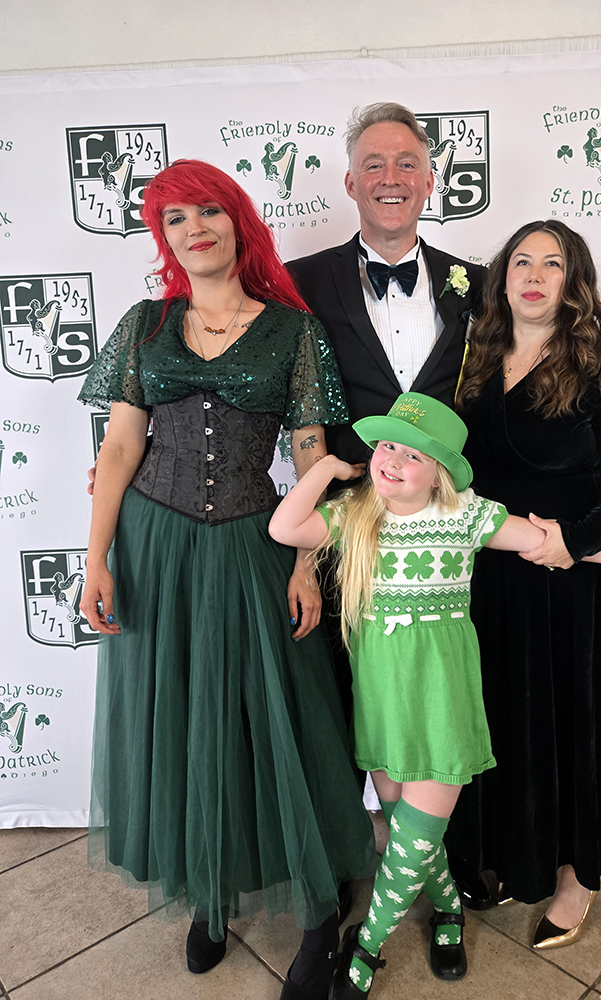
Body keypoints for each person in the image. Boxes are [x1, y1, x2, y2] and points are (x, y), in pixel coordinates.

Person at [77, 159, 375, 998]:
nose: (193, 229)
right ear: (162, 238)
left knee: (283, 716)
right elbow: (120, 447)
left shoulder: (293, 331)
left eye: (208, 210)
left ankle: (320, 910)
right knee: (179, 713)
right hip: (154, 543)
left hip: (253, 538)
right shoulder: (145, 324)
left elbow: (313, 455)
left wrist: (307, 561)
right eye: (174, 219)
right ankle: (208, 889)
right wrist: (96, 557)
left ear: (238, 221)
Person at [268, 392, 601, 995]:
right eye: (386, 446)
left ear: (441, 471)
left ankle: (366, 947)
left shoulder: (467, 516)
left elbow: (544, 540)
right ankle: (448, 911)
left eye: (413, 455)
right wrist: (327, 469)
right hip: (384, 706)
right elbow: (284, 526)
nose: (392, 461)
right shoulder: (355, 514)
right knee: (409, 832)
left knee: (415, 836)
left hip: (443, 705)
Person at [445, 220, 601, 948]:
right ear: (502, 278)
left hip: (567, 580)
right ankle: (522, 855)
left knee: (573, 718)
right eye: (522, 262)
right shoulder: (474, 357)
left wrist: (580, 542)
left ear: (573, 283)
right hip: (489, 574)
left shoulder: (598, 365)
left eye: (553, 263)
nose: (534, 275)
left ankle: (577, 877)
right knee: (506, 713)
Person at [287, 102, 486, 470]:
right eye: (374, 165)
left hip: (449, 496)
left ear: (429, 182)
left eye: (407, 165)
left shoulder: (478, 283)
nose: (390, 178)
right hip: (347, 496)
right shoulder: (300, 281)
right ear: (351, 183)